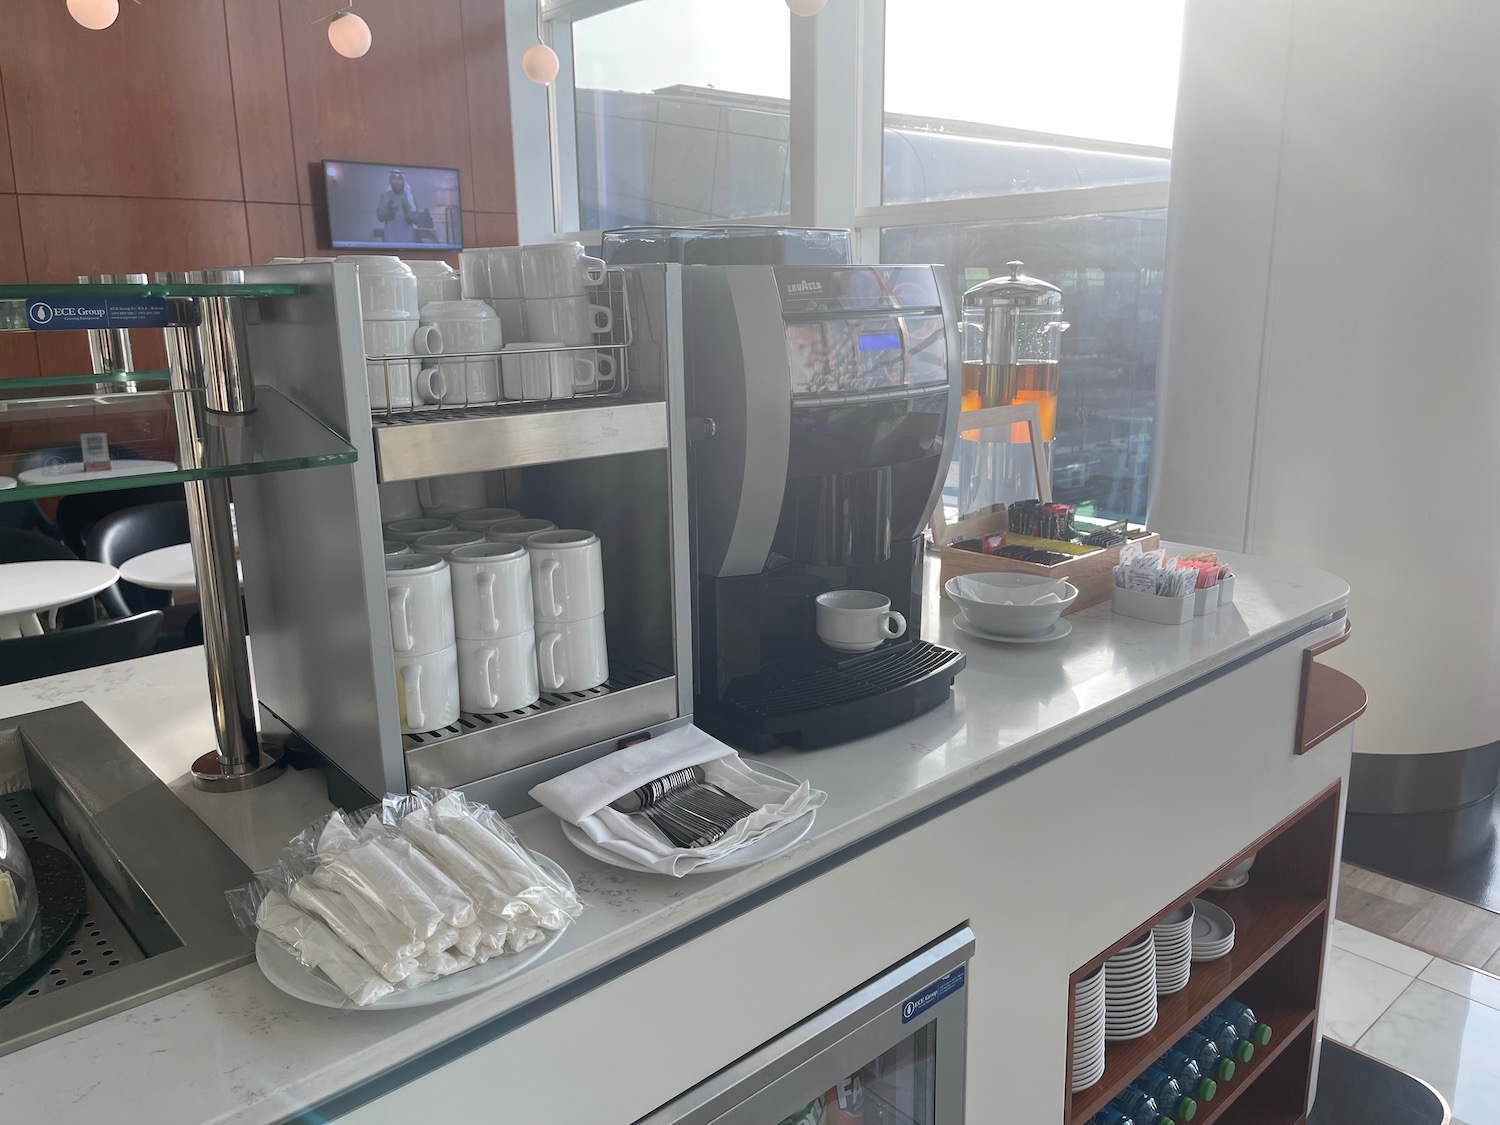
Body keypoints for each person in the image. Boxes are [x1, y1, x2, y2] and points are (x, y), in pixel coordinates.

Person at [376, 169, 418, 244]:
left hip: (407, 236)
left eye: (400, 179)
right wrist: (388, 206)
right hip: (390, 236)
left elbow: (417, 219)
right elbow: (380, 217)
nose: (397, 182)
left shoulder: (410, 197)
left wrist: (407, 207)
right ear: (390, 180)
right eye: (394, 178)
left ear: (403, 180)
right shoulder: (385, 196)